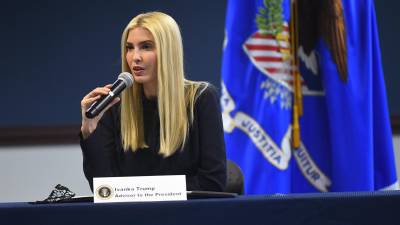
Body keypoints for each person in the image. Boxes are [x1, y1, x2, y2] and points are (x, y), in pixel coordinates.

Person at [79, 12, 227, 192]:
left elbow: (213, 182)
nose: (135, 57)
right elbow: (104, 189)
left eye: (146, 47)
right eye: (129, 48)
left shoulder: (200, 98)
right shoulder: (114, 103)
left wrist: (143, 193)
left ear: (168, 51)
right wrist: (89, 131)